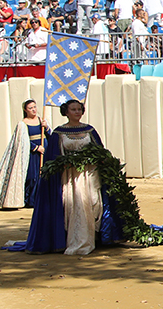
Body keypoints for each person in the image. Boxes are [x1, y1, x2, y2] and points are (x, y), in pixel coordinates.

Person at [22, 99, 121, 256]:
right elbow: (53, 157)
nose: (77, 112)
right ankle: (75, 239)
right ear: (66, 112)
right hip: (69, 177)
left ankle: (95, 237)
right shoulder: (59, 133)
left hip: (90, 175)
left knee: (93, 203)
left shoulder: (90, 130)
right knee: (74, 206)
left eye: (79, 109)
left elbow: (100, 151)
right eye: (73, 109)